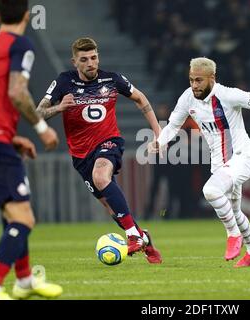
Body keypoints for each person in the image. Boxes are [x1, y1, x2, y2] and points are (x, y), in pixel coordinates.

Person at [0, 0, 62, 300]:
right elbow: (17, 92)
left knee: (13, 213)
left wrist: (8, 137)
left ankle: (23, 281)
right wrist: (42, 128)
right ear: (27, 16)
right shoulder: (20, 45)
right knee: (23, 219)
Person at [36, 37, 162, 263]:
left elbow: (140, 98)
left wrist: (157, 131)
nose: (90, 63)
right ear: (74, 62)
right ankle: (143, 237)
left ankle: (132, 236)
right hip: (80, 155)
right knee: (110, 205)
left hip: (109, 142)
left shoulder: (112, 79)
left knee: (101, 176)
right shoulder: (64, 82)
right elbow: (38, 113)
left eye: (93, 58)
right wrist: (60, 107)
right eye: (84, 60)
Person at [149, 57, 250, 267]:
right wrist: (160, 141)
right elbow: (173, 125)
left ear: (212, 78)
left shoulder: (228, 95)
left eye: (199, 81)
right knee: (235, 211)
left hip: (242, 156)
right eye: (191, 80)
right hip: (220, 164)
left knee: (211, 191)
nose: (194, 85)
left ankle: (233, 235)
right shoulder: (187, 98)